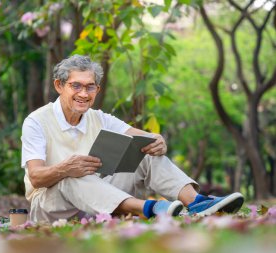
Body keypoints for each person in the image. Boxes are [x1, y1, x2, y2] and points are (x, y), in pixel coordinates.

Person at [21, 55, 244, 223]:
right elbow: (36, 176)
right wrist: (65, 168)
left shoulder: (100, 118)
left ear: (97, 90)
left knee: (145, 149)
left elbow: (143, 137)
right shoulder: (37, 121)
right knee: (71, 176)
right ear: (59, 86)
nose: (83, 93)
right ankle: (150, 208)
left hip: (98, 199)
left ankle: (196, 202)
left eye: (90, 87)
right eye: (75, 86)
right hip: (51, 205)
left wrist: (157, 139)